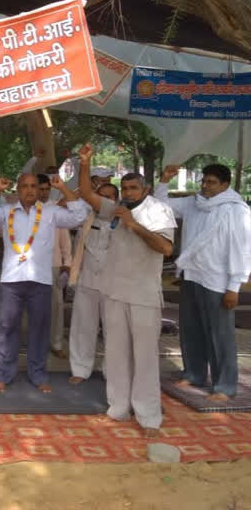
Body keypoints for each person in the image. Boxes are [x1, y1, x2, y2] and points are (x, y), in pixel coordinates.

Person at [77, 144, 176, 437]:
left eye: (134, 188)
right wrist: (85, 163)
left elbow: (166, 248)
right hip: (114, 292)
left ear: (145, 189)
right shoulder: (116, 210)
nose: (129, 193)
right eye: (125, 188)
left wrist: (135, 226)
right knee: (116, 354)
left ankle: (148, 417)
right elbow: (86, 194)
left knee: (145, 357)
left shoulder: (159, 210)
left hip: (144, 295)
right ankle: (117, 407)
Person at [0, 173, 87, 393]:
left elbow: (79, 216)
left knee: (39, 328)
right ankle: (3, 374)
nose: (29, 190)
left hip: (41, 279)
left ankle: (38, 375)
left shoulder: (51, 212)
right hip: (11, 280)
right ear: (17, 189)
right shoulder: (6, 211)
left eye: (33, 186)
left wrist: (63, 188)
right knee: (6, 328)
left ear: (39, 190)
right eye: (24, 186)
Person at [156, 164, 251, 401]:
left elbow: (242, 250)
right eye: (204, 182)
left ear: (225, 185)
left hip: (218, 281)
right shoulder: (193, 203)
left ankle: (225, 385)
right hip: (191, 275)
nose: (206, 187)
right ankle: (194, 374)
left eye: (211, 182)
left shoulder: (237, 211)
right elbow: (161, 206)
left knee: (220, 335)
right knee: (191, 330)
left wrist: (234, 286)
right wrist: (165, 180)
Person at [67, 182, 119, 384]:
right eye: (101, 196)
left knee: (113, 330)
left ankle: (113, 371)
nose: (105, 201)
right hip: (87, 279)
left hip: (113, 283)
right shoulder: (84, 218)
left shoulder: (124, 220)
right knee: (82, 327)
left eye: (110, 197)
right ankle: (80, 369)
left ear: (116, 199)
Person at [37, 174, 73, 358]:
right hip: (31, 266)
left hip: (53, 264)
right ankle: (35, 343)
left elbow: (65, 239)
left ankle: (56, 343)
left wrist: (67, 264)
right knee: (33, 307)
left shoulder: (56, 209)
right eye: (40, 189)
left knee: (56, 306)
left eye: (46, 189)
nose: (43, 193)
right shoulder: (25, 208)